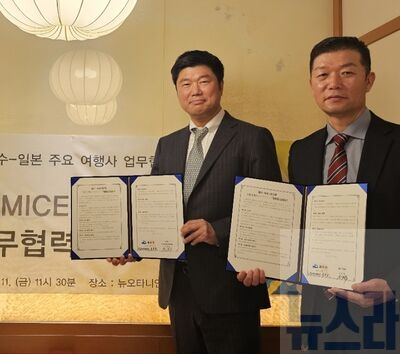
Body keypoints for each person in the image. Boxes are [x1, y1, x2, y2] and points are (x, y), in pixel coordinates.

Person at [282, 36, 400, 352]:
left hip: (398, 319)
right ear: (311, 84)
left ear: (369, 80)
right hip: (324, 319)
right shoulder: (301, 151)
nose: (333, 83)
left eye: (347, 72)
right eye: (323, 74)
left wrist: (396, 285)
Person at [111, 50, 281, 353]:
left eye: (204, 81)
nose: (195, 90)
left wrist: (217, 231)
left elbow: (271, 211)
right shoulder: (168, 144)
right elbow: (151, 208)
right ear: (177, 91)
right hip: (179, 290)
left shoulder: (252, 137)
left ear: (220, 85)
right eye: (185, 84)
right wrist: (130, 245)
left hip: (230, 289)